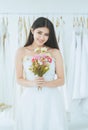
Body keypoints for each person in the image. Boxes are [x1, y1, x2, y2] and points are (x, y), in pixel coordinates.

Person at [15, 17, 68, 130]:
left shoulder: (54, 52)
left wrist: (46, 83)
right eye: (39, 32)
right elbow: (19, 79)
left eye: (46, 34)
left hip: (51, 99)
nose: (42, 37)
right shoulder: (21, 52)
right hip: (30, 99)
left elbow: (61, 79)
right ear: (32, 30)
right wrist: (33, 83)